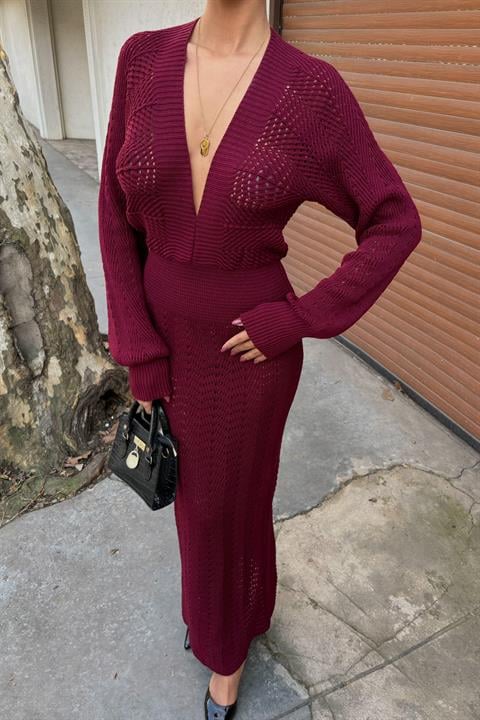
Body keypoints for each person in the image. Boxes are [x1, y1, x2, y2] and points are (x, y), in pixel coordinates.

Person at [97, 2, 422, 717]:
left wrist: (300, 316)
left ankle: (226, 654)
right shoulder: (141, 59)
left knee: (229, 506)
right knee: (192, 502)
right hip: (166, 341)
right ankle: (226, 609)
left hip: (247, 353)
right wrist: (139, 350)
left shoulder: (312, 90)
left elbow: (394, 220)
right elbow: (114, 217)